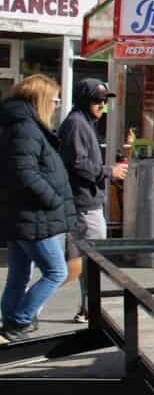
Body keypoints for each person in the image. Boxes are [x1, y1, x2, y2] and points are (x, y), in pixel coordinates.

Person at [0, 75, 77, 342]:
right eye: (55, 100)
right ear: (41, 99)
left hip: (23, 216)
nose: (56, 105)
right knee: (57, 271)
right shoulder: (25, 127)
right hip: (34, 216)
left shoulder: (20, 125)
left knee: (19, 273)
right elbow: (25, 173)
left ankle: (11, 321)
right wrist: (53, 200)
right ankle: (20, 320)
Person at [58, 79, 128, 324]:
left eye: (104, 101)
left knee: (86, 262)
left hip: (85, 202)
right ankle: (28, 306)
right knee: (88, 262)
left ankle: (88, 309)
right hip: (84, 205)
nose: (102, 105)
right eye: (97, 101)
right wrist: (109, 172)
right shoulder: (77, 124)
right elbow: (77, 164)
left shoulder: (82, 122)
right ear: (84, 100)